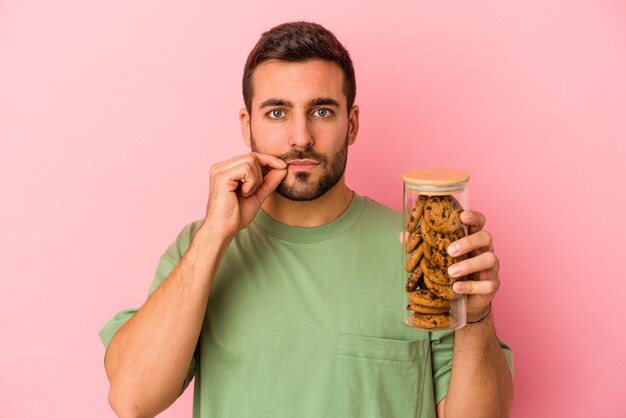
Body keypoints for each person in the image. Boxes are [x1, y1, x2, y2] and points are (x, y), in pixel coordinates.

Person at [99, 21, 513, 418]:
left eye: (322, 111)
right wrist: (213, 235)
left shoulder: (416, 252)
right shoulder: (199, 248)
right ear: (248, 126)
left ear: (351, 124)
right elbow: (133, 400)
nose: (300, 136)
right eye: (277, 112)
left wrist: (475, 316)